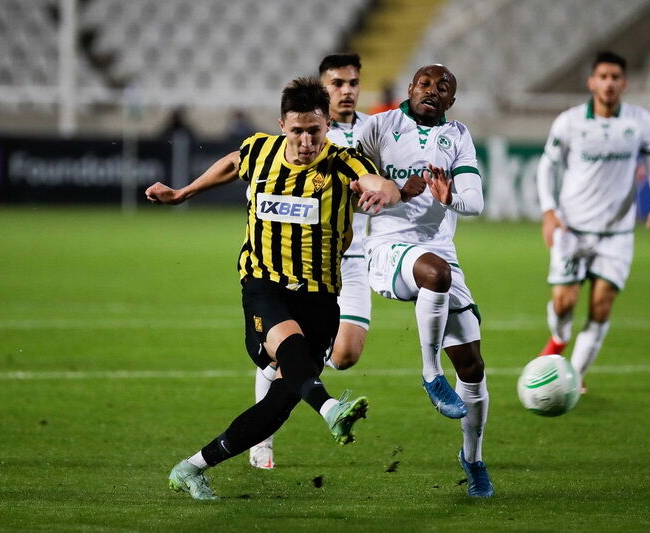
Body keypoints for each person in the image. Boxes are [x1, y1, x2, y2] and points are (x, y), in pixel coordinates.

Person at [146, 77, 400, 500]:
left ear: (327, 125)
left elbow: (380, 183)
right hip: (264, 286)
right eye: (297, 131)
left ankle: (191, 467)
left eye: (314, 130)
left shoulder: (343, 162)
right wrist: (184, 193)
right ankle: (331, 408)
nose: (306, 141)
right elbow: (233, 163)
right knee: (291, 348)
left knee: (278, 405)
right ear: (282, 125)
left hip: (321, 296)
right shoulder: (260, 150)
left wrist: (385, 194)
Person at [248, 53, 425, 470]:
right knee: (288, 351)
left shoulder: (374, 130)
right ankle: (263, 439)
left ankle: (291, 364)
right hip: (302, 259)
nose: (346, 91)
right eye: (336, 83)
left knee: (344, 356)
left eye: (352, 83)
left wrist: (395, 190)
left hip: (353, 256)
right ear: (322, 90)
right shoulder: (307, 134)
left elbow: (383, 179)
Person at [355, 64, 493, 498]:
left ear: (452, 100)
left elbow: (475, 202)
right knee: (434, 272)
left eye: (443, 88)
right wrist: (390, 191)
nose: (432, 91)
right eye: (425, 84)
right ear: (411, 88)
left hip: (440, 250)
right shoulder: (378, 126)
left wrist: (450, 198)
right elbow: (345, 182)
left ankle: (473, 460)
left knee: (472, 366)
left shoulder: (458, 136)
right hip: (387, 248)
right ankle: (431, 374)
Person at [535, 51, 650, 392]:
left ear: (624, 83)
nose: (609, 83)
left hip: (617, 234)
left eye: (615, 78)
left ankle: (573, 377)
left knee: (601, 305)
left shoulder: (640, 121)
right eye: (603, 77)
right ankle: (559, 338)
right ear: (591, 82)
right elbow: (547, 166)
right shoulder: (569, 122)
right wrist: (549, 211)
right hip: (572, 228)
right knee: (564, 303)